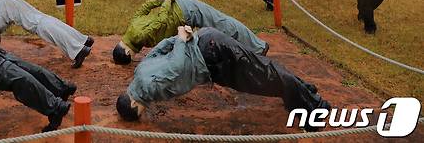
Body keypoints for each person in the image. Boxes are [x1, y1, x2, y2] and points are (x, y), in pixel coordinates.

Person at [115, 26, 330, 132]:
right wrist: (183, 37)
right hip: (209, 49)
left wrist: (182, 40)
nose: (143, 113)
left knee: (265, 75)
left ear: (133, 103)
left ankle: (315, 106)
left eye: (138, 113)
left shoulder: (147, 89)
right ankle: (303, 93)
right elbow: (160, 48)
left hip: (214, 55)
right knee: (262, 76)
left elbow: (176, 66)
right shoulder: (139, 72)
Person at [112, 0, 267, 64]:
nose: (136, 54)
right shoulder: (131, 29)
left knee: (221, 22)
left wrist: (166, 2)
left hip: (185, 10)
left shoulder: (138, 37)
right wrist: (161, 0)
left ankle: (258, 46)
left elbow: (161, 21)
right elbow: (143, 8)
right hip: (181, 10)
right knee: (218, 24)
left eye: (132, 56)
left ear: (126, 51)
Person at [0, 0, 94, 68]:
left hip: (0, 10)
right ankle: (82, 40)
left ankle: (78, 49)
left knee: (38, 23)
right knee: (41, 19)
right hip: (2, 4)